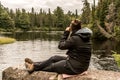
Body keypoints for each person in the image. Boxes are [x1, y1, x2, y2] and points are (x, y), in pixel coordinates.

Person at [25, 19, 92, 76]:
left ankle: (33, 68)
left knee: (54, 66)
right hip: (79, 64)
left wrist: (66, 33)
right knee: (54, 58)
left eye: (70, 25)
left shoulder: (75, 38)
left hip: (75, 67)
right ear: (80, 27)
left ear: (71, 27)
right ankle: (34, 64)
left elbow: (61, 46)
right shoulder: (84, 37)